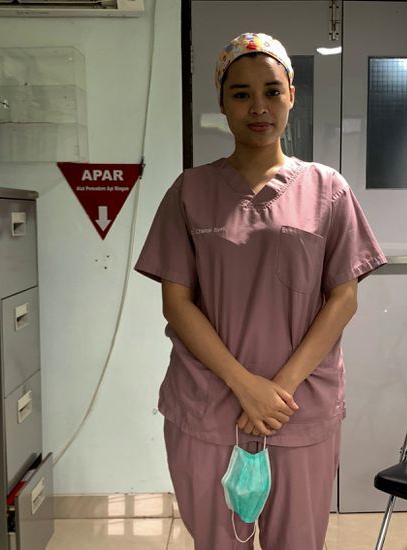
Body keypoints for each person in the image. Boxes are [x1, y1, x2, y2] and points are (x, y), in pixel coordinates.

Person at [135, 32, 386, 550]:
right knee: (217, 541)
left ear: (292, 94)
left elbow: (344, 298)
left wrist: (281, 389)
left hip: (299, 406)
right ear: (222, 102)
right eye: (241, 93)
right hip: (207, 404)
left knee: (297, 541)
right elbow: (176, 303)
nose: (258, 107)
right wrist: (245, 385)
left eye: (272, 91)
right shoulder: (190, 192)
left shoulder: (327, 189)